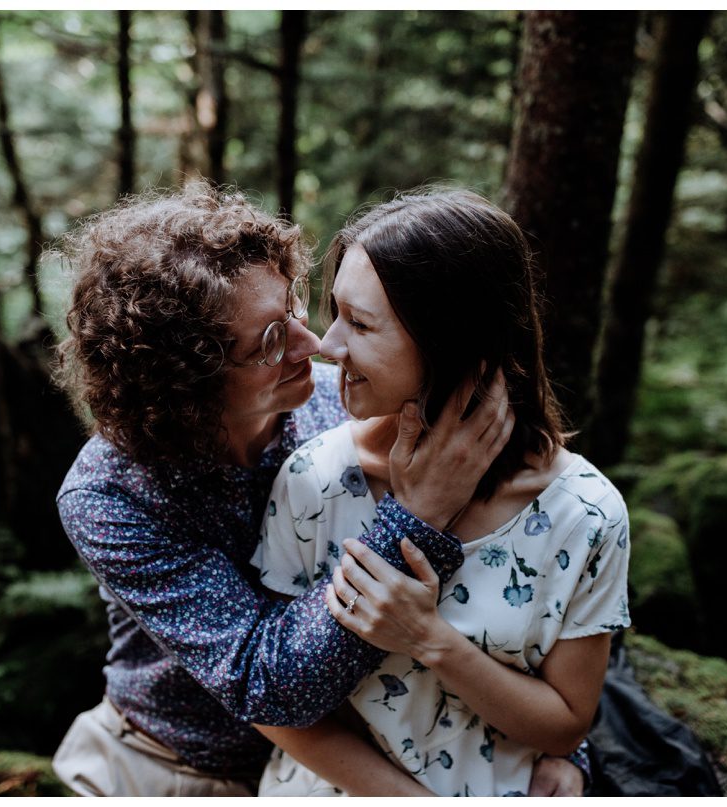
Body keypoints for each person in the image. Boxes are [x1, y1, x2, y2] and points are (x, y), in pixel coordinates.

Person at [50, 184, 587, 796]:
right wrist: (416, 513)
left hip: (370, 751)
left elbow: (537, 566)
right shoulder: (111, 495)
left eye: (294, 307)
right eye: (270, 342)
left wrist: (561, 746)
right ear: (185, 382)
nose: (315, 346)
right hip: (179, 765)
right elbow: (266, 685)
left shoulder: (346, 405)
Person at [252, 188, 631, 796]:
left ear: (452, 340)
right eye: (337, 313)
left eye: (361, 324)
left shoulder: (585, 513)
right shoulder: (314, 480)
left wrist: (431, 639)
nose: (328, 345)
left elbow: (566, 725)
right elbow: (273, 701)